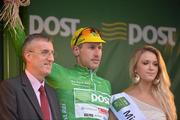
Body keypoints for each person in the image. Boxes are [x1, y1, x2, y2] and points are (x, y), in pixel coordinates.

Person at [46, 27, 112, 119]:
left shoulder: (106, 85)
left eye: (100, 48)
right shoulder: (61, 74)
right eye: (92, 47)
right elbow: (31, 54)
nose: (97, 54)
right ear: (76, 50)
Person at [0, 34, 61, 120]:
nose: (51, 59)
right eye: (44, 52)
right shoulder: (9, 88)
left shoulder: (52, 93)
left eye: (52, 53)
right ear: (28, 56)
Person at [109, 45, 177, 120]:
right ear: (135, 68)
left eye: (155, 64)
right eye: (145, 63)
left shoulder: (165, 98)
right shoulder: (121, 100)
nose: (151, 68)